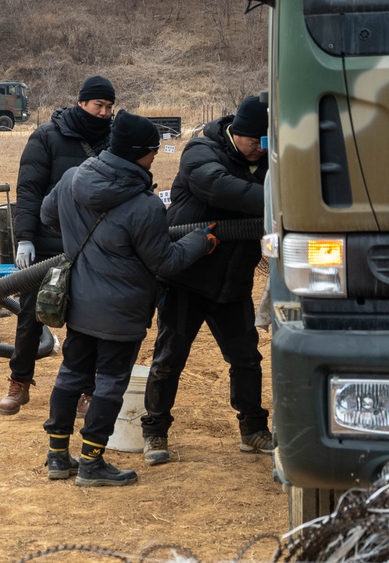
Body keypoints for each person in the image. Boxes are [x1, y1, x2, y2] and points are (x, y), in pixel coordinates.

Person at [40, 111, 217, 486]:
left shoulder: (73, 179)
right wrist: (201, 241)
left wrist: (80, 240)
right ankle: (91, 462)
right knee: (109, 383)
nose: (156, 157)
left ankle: (58, 456)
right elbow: (166, 263)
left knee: (71, 373)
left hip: (79, 301)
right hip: (121, 313)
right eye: (153, 151)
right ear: (138, 153)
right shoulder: (145, 205)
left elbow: (47, 215)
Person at [141, 95, 271, 466]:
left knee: (246, 359)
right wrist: (280, 199)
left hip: (233, 282)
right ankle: (155, 430)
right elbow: (216, 186)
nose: (259, 150)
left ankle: (253, 430)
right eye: (253, 142)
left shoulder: (266, 160)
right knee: (169, 360)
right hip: (188, 278)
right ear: (236, 133)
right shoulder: (202, 150)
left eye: (266, 143)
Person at [0, 75, 116, 416]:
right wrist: (24, 239)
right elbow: (29, 191)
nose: (104, 112)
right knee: (30, 317)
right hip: (48, 245)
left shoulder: (113, 140)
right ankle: (19, 383)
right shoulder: (47, 137)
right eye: (99, 105)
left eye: (109, 107)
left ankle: (86, 390)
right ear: (82, 103)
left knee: (88, 320)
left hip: (94, 245)